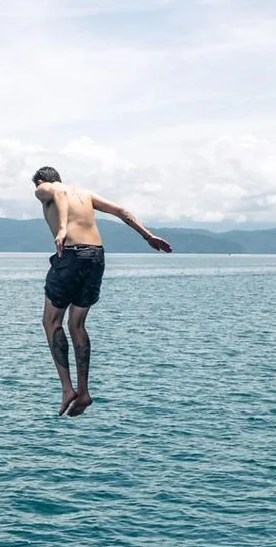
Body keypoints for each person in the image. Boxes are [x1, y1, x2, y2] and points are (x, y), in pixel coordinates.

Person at [31, 168, 172, 415]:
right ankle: (84, 392)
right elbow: (121, 211)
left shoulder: (48, 188)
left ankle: (67, 389)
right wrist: (148, 236)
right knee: (77, 325)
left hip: (71, 255)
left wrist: (62, 228)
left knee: (51, 322)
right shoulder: (86, 194)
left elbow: (58, 192)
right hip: (95, 257)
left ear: (42, 181)